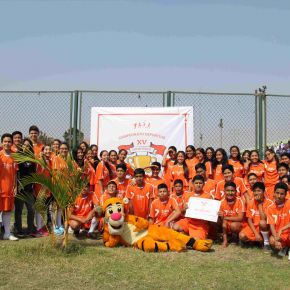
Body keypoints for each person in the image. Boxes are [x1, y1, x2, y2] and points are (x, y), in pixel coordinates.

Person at [173, 175, 212, 240]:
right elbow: (182, 212)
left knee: (197, 240)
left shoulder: (208, 196)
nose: (198, 185)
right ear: (193, 184)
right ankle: (186, 235)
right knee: (175, 227)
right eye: (196, 183)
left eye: (200, 183)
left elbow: (211, 213)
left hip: (200, 225)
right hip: (188, 221)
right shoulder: (188, 195)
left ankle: (189, 237)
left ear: (203, 184)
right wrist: (184, 209)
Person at [239, 182, 273, 250]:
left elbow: (264, 219)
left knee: (262, 223)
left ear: (263, 191)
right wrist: (256, 233)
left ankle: (266, 242)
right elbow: (249, 220)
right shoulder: (251, 202)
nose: (256, 193)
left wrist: (259, 204)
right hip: (254, 227)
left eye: (259, 191)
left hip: (265, 227)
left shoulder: (269, 203)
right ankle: (256, 241)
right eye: (254, 191)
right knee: (241, 236)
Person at [14, 138, 36, 237]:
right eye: (25, 145)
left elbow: (34, 173)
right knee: (18, 210)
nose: (26, 147)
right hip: (20, 188)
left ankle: (30, 230)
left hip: (29, 189)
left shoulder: (32, 158)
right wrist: (16, 186)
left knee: (31, 210)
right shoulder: (18, 157)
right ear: (21, 146)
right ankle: (19, 230)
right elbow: (16, 172)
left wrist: (32, 186)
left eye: (28, 145)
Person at [0, 133, 18, 241]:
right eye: (5, 141)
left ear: (12, 143)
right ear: (2, 142)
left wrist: (15, 186)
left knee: (7, 211)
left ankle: (7, 233)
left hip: (9, 189)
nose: (7, 143)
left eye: (9, 141)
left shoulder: (14, 156)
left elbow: (15, 173)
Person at [218, 181, 245, 247]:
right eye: (228, 190)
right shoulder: (221, 202)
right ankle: (224, 238)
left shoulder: (240, 201)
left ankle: (236, 237)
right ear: (224, 191)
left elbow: (240, 218)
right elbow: (223, 221)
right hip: (226, 224)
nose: (230, 193)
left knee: (234, 225)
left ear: (236, 191)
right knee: (218, 221)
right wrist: (225, 241)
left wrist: (225, 217)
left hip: (238, 224)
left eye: (232, 191)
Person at [267, 183, 290, 256]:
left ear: (286, 194)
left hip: (288, 232)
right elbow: (272, 225)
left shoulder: (289, 203)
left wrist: (282, 229)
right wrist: (276, 239)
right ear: (274, 193)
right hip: (279, 234)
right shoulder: (270, 208)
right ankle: (284, 247)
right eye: (277, 193)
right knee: (272, 241)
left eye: (282, 194)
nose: (279, 196)